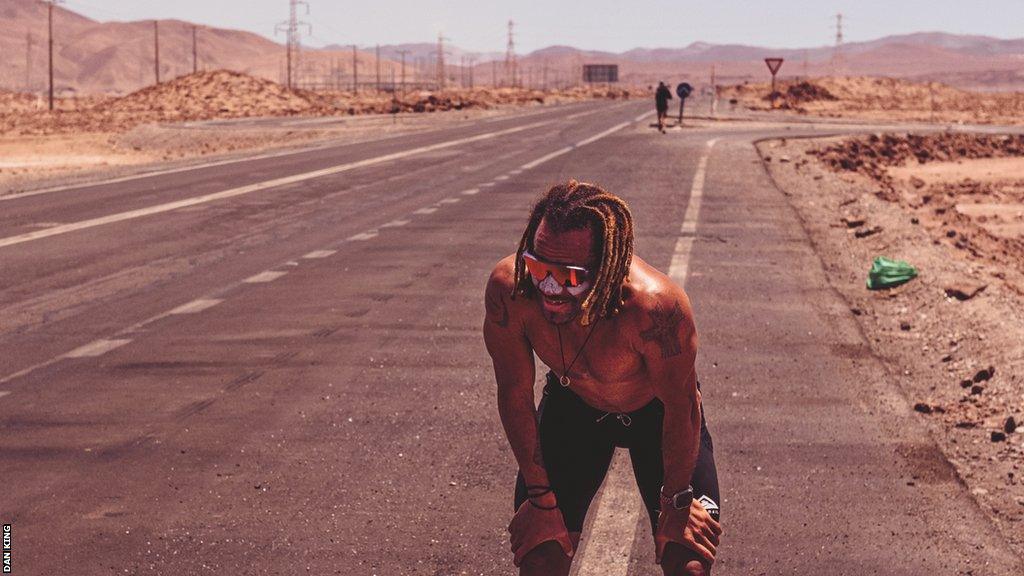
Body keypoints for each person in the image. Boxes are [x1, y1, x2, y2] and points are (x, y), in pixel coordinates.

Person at [483, 180, 723, 576]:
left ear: (609, 268)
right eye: (540, 267)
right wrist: (541, 499)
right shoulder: (510, 291)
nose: (549, 288)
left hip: (657, 416)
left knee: (689, 563)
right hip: (574, 408)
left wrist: (678, 503)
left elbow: (682, 408)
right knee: (539, 559)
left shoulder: (656, 309)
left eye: (570, 277)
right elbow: (513, 393)